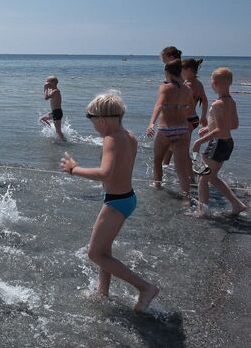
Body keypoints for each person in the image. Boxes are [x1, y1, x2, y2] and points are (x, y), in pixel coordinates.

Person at [60, 91, 159, 312]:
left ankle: (145, 288)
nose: (93, 125)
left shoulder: (110, 139)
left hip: (116, 203)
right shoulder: (129, 136)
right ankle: (102, 291)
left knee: (95, 253)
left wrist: (74, 170)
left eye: (92, 120)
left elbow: (105, 173)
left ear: (102, 120)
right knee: (104, 248)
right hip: (126, 198)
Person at [192, 68, 247, 216]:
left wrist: (199, 141)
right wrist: (210, 128)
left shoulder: (217, 104)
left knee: (203, 178)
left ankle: (202, 211)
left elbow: (220, 129)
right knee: (211, 177)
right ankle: (237, 204)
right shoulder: (231, 102)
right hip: (227, 142)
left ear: (214, 83)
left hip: (218, 143)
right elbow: (234, 125)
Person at [146, 59, 193, 204]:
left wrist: (151, 123)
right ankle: (186, 198)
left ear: (167, 72)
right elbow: (189, 109)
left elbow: (159, 105)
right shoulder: (187, 89)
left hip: (166, 128)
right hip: (183, 129)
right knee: (181, 167)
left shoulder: (165, 87)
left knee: (157, 160)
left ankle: (157, 185)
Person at [39, 76, 66, 141]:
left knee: (58, 131)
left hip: (57, 112)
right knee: (42, 119)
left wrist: (45, 88)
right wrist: (47, 88)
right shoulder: (53, 91)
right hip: (54, 112)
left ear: (53, 82)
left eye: (48, 82)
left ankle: (65, 142)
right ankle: (53, 130)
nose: (46, 83)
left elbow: (46, 98)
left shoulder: (56, 91)